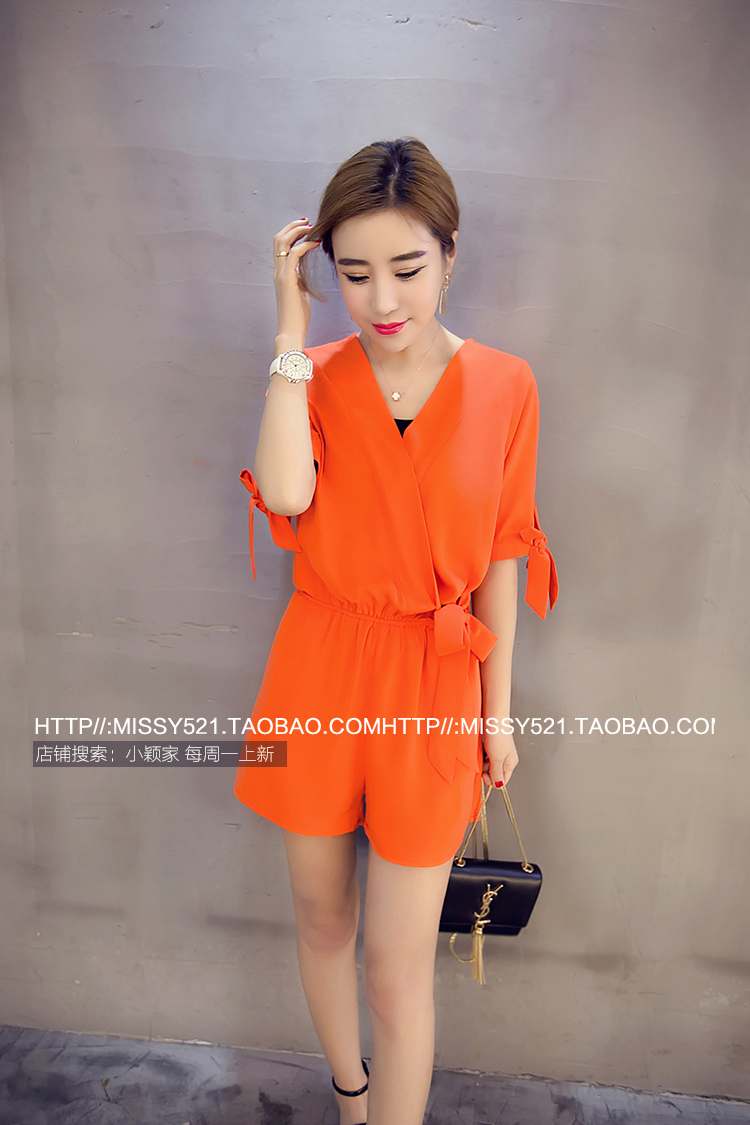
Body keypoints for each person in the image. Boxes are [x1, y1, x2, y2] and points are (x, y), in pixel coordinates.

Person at [236, 137, 558, 1125]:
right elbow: (285, 493)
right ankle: (351, 1098)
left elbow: (503, 557)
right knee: (321, 917)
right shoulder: (316, 375)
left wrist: (497, 715)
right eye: (354, 273)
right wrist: (290, 333)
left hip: (434, 678)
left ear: (451, 256)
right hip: (320, 666)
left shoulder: (506, 385)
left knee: (395, 964)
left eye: (408, 269)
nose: (382, 299)